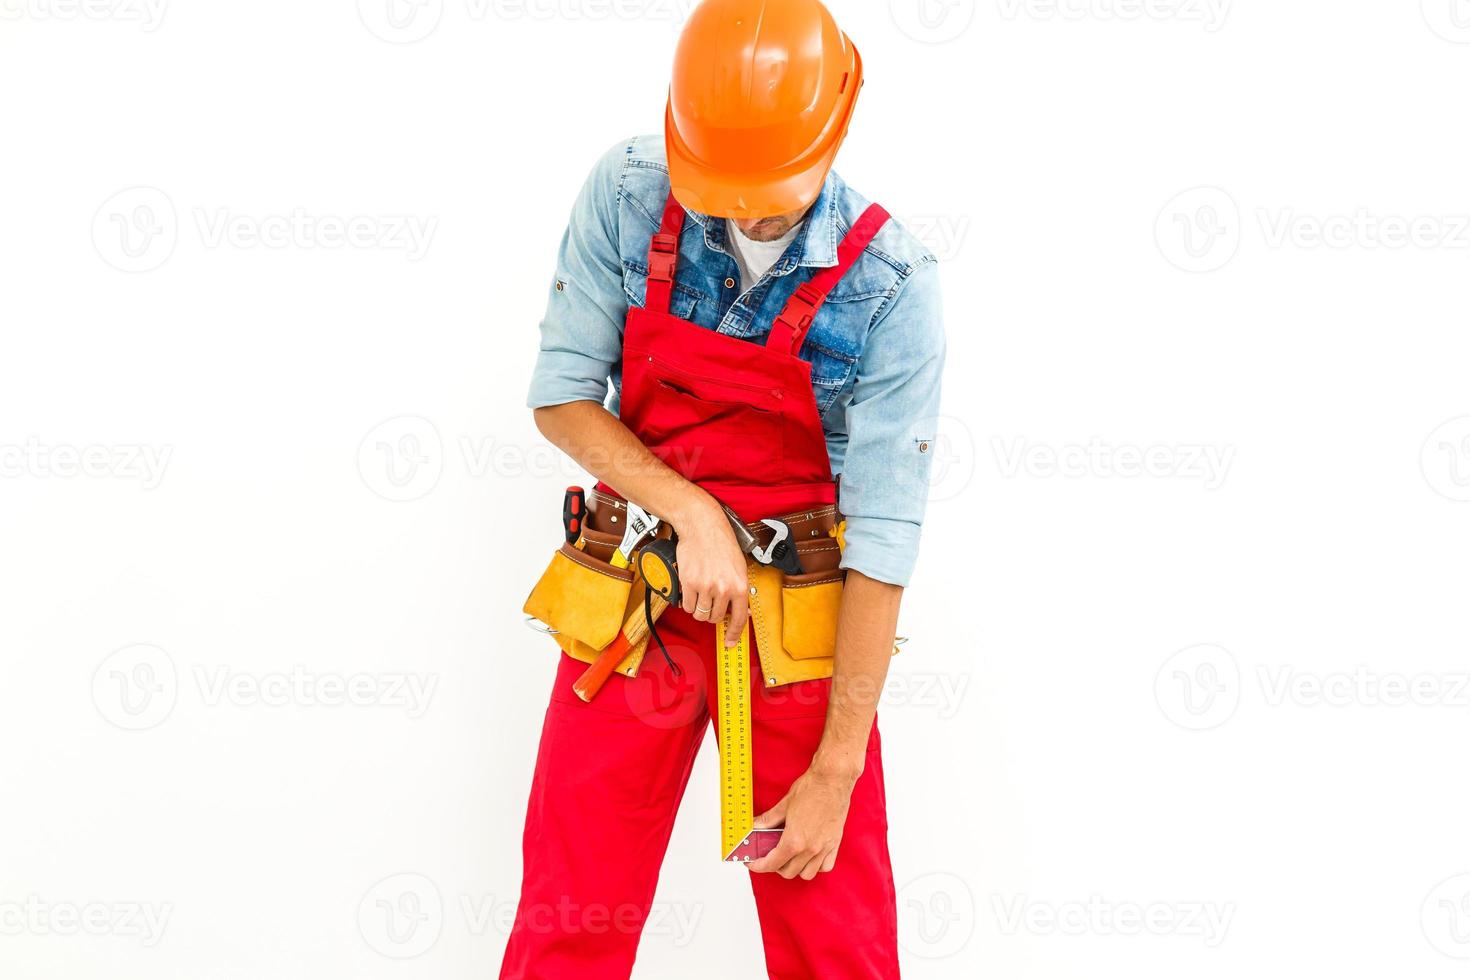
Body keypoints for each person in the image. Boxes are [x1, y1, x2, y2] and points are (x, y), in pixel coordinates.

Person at [502, 1, 944, 976]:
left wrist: (836, 767)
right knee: (569, 914)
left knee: (835, 937)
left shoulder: (891, 283)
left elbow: (884, 535)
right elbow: (562, 397)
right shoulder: (624, 194)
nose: (745, 215)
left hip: (794, 627)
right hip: (640, 598)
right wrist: (691, 510)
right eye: (723, 191)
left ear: (838, 121)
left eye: (772, 196)